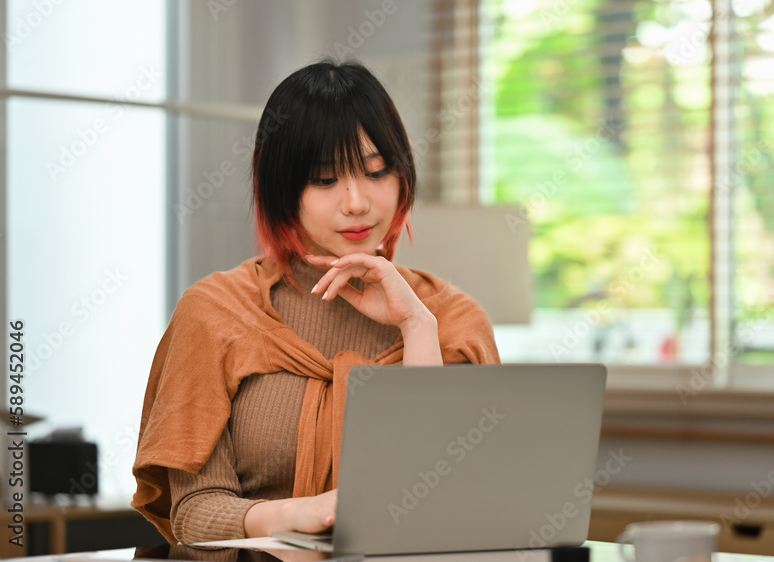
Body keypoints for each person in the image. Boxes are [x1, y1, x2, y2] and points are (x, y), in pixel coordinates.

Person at [132, 59, 501, 544]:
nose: (356, 202)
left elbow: (462, 503)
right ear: (284, 190)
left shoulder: (451, 319)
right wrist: (298, 514)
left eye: (376, 172)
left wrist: (416, 326)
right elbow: (194, 513)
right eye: (325, 180)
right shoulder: (216, 311)